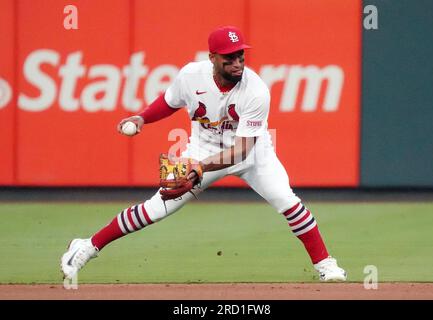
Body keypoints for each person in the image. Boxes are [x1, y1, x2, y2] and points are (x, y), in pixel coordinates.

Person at [60, 26, 346, 282]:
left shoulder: (256, 90)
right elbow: (169, 101)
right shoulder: (190, 75)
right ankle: (87, 245)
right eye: (229, 57)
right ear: (212, 58)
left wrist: (198, 167)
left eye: (240, 56)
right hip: (203, 147)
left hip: (252, 153)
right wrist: (142, 118)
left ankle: (325, 264)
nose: (237, 63)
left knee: (286, 200)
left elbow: (242, 150)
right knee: (158, 207)